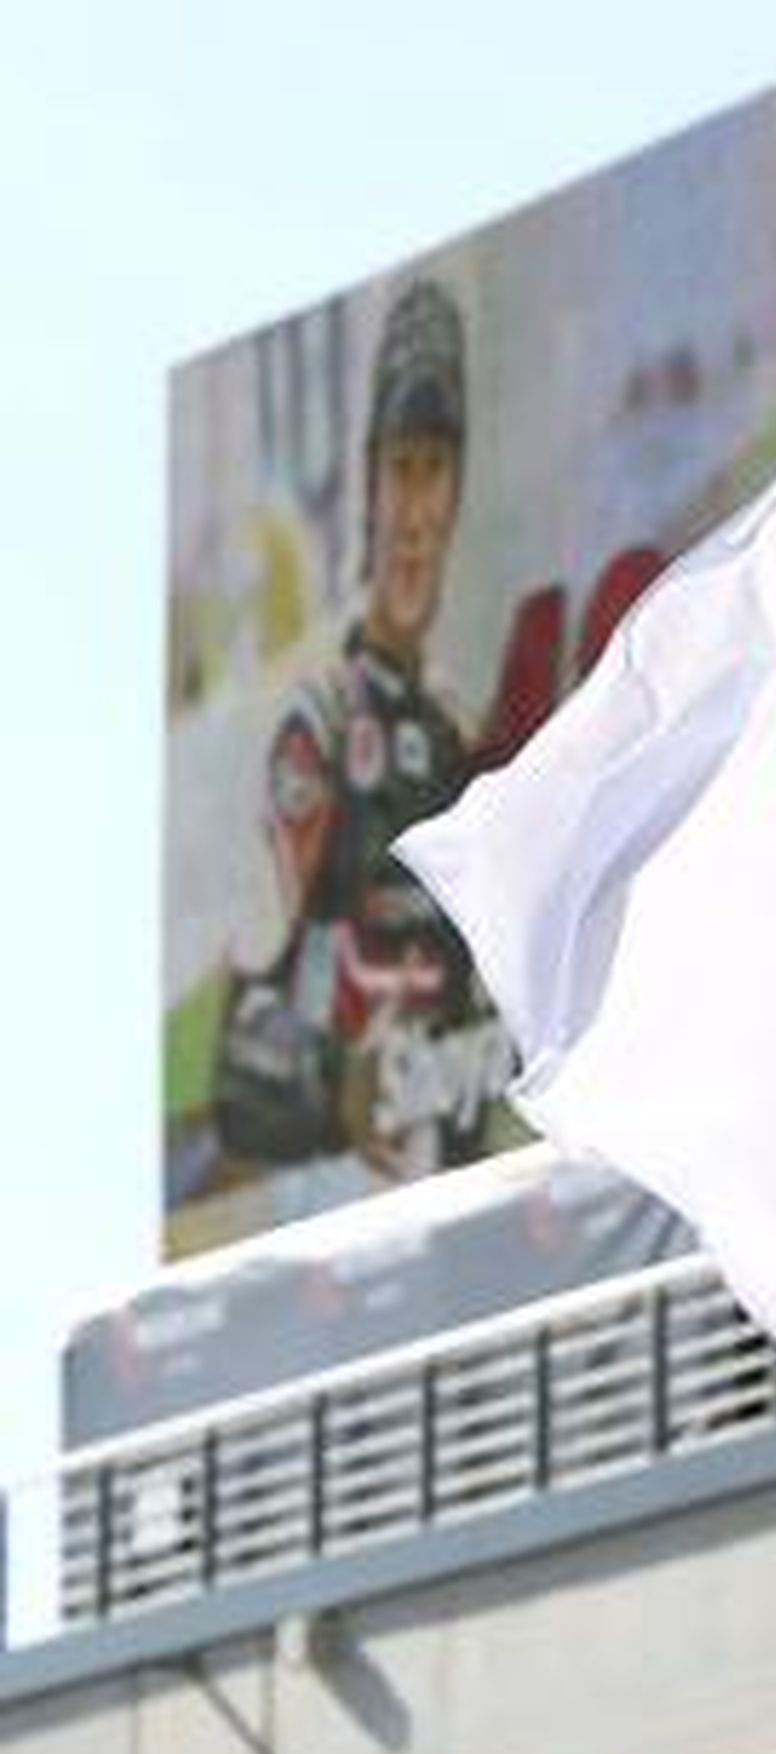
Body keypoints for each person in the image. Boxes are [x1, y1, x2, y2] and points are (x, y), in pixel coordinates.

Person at [215, 277, 501, 1180]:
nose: (416, 513)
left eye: (437, 469)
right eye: (401, 468)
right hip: (325, 1234)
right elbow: (237, 1057)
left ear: (458, 492)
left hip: (460, 1228)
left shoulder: (460, 732)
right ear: (371, 485)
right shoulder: (319, 728)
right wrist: (335, 1076)